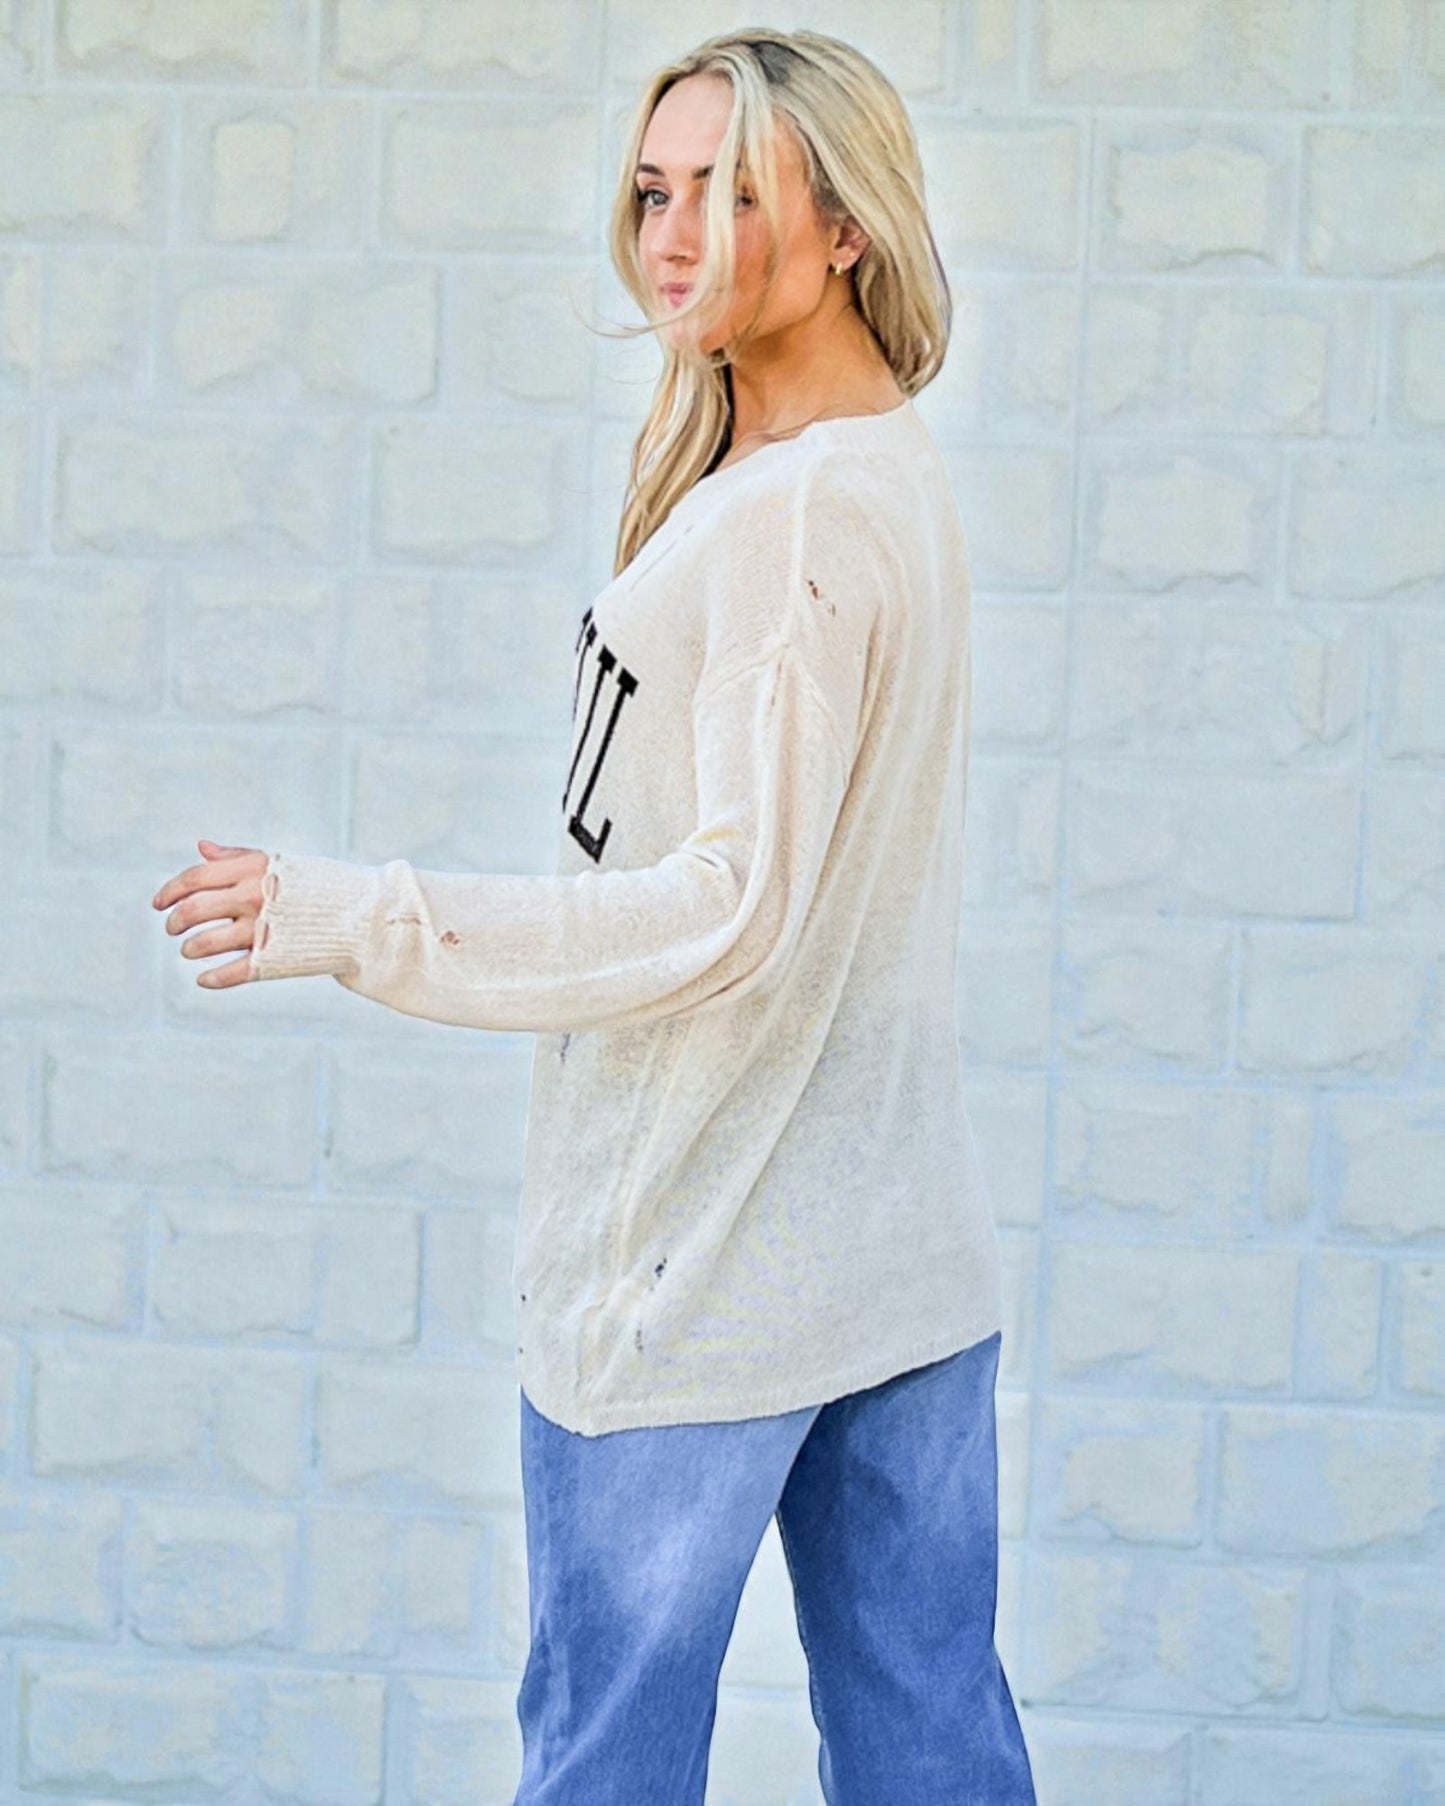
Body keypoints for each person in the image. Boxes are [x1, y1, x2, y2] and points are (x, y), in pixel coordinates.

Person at [150, 25, 1037, 1806]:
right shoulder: (873, 470)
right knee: (934, 1742)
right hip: (895, 1261)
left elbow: (725, 910)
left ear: (845, 225)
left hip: (691, 1277)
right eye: (651, 189)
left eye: (727, 190)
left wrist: (356, 916)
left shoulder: (788, 524)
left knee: (602, 1772)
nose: (671, 232)